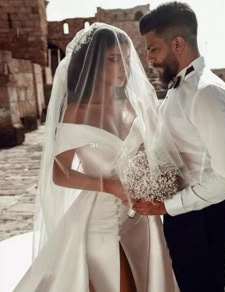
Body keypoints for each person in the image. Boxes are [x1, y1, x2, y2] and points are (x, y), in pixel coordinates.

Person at [13, 23, 178, 292]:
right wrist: (110, 185)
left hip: (140, 217)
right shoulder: (77, 111)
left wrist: (155, 181)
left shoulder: (134, 106)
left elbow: (155, 154)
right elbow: (60, 173)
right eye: (114, 60)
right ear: (92, 63)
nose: (124, 68)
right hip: (99, 219)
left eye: (127, 59)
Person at [133, 2, 225, 292]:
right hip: (185, 217)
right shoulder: (180, 89)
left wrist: (167, 205)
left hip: (201, 220)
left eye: (153, 49)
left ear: (177, 43)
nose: (149, 58)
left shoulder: (207, 94)